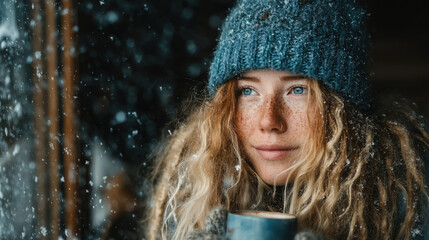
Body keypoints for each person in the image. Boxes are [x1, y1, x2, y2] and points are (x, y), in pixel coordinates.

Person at [144, 0, 429, 239]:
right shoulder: (194, 187)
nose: (269, 121)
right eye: (248, 91)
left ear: (342, 108)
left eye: (298, 90)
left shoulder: (404, 196)